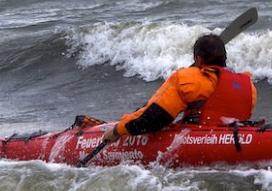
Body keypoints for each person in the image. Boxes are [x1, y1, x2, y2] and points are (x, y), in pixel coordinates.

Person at [102, 34, 257, 143]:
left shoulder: (187, 78)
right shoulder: (248, 85)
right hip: (237, 138)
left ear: (198, 59)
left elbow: (153, 121)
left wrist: (117, 131)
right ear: (224, 58)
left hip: (198, 140)